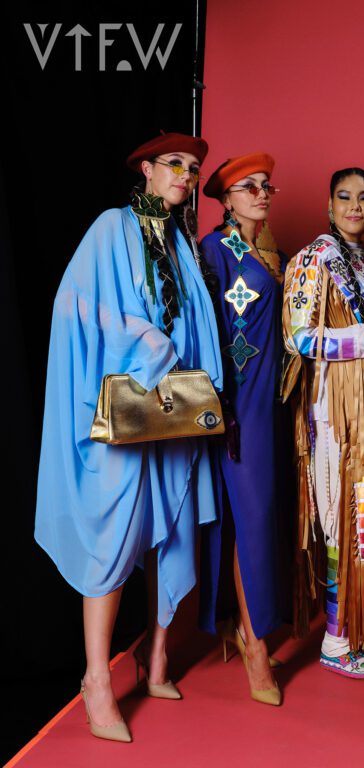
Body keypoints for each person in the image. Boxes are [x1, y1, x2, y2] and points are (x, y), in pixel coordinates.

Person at [35, 131, 222, 742]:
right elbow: (76, 305)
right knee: (116, 539)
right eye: (175, 165)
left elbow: (194, 317)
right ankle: (95, 679)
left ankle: (156, 658)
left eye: (193, 169)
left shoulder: (179, 242)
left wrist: (197, 374)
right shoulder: (112, 227)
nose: (186, 177)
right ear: (146, 169)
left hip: (169, 410)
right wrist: (145, 341)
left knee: (165, 534)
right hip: (125, 406)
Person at [283, 168, 364, 679]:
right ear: (328, 202)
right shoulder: (317, 257)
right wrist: (353, 341)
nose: (355, 206)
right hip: (337, 405)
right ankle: (335, 642)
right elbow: (296, 338)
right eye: (344, 197)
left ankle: (360, 628)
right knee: (342, 512)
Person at [198, 152, 288, 705]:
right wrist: (221, 403)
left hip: (273, 398)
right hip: (239, 401)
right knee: (251, 519)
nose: (261, 194)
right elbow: (206, 327)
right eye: (247, 187)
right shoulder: (217, 250)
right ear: (227, 198)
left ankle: (249, 626)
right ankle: (256, 647)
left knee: (264, 515)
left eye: (265, 186)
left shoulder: (269, 250)